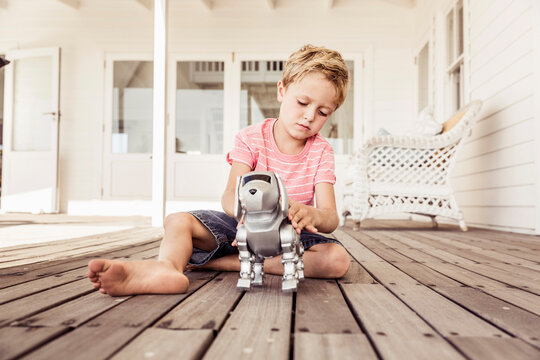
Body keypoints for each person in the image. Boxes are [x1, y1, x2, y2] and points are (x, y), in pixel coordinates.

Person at [88, 44, 351, 296]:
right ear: (281, 90)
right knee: (177, 220)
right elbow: (229, 195)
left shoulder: (321, 151)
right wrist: (248, 213)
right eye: (302, 102)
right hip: (244, 226)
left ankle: (218, 263)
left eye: (323, 112)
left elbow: (330, 218)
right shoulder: (251, 138)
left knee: (337, 261)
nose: (309, 116)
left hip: (291, 236)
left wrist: (310, 214)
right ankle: (166, 268)